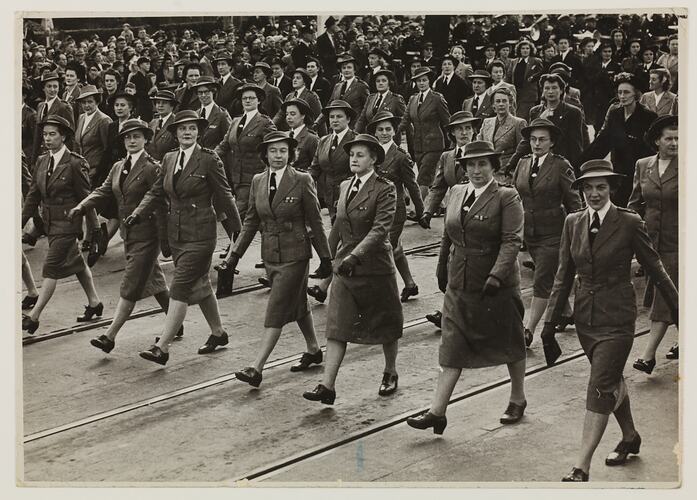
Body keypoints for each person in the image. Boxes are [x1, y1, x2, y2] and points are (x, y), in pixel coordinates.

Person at [540, 159, 678, 482]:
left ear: (611, 188)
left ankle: (581, 466)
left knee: (599, 385)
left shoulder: (629, 222)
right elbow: (563, 275)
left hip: (617, 319)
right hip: (587, 319)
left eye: (601, 186)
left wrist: (681, 309)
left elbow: (655, 268)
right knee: (610, 382)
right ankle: (630, 436)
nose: (594, 193)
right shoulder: (573, 222)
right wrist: (548, 325)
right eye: (588, 187)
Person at [406, 140, 527, 434]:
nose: (476, 170)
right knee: (452, 344)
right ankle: (438, 411)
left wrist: (497, 276)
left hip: (495, 286)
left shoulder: (507, 197)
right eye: (470, 164)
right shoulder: (457, 192)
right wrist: (441, 268)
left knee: (509, 341)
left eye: (482, 164)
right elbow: (448, 234)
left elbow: (512, 241)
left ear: (493, 167)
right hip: (460, 282)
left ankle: (517, 397)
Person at [216, 131, 332, 387]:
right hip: (270, 254)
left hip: (296, 255)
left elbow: (315, 221)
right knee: (298, 302)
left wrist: (326, 258)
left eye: (283, 151)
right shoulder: (258, 180)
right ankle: (313, 350)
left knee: (277, 308)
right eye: (273, 151)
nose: (278, 156)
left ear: (291, 154)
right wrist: (234, 256)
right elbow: (250, 222)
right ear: (265, 155)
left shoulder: (302, 180)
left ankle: (256, 367)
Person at [127, 110, 241, 365]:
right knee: (201, 285)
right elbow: (156, 192)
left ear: (199, 132)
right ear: (175, 133)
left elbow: (225, 195)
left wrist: (238, 233)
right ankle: (218, 332)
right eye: (182, 129)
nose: (187, 133)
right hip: (177, 234)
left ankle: (162, 346)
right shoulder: (168, 159)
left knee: (179, 288)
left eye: (191, 128)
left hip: (201, 235)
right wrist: (137, 213)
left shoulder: (209, 160)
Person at [303, 134, 402, 404]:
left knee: (386, 324)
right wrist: (326, 257)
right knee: (337, 325)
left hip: (374, 266)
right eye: (352, 155)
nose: (354, 159)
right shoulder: (346, 185)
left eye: (360, 155)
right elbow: (338, 225)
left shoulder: (385, 188)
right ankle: (327, 385)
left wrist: (354, 257)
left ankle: (390, 371)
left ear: (373, 159)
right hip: (345, 267)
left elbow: (380, 229)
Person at [68, 118, 179, 352]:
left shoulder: (152, 167)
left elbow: (161, 201)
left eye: (136, 136)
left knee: (130, 284)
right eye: (127, 137)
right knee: (154, 280)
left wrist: (165, 239)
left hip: (149, 235)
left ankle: (109, 336)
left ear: (146, 139)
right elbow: (103, 190)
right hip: (129, 234)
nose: (131, 141)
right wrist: (83, 205)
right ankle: (175, 323)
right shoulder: (118, 166)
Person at [21, 115, 103, 334]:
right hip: (50, 223)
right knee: (77, 264)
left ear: (64, 136)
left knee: (51, 268)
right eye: (45, 134)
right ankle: (95, 303)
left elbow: (88, 199)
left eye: (52, 134)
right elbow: (33, 195)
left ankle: (34, 316)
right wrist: (20, 222)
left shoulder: (75, 163)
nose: (47, 139)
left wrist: (95, 230)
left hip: (68, 223)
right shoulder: (41, 161)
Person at [511, 118, 582, 346]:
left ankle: (528, 330)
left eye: (542, 139)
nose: (537, 144)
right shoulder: (522, 163)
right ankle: (566, 311)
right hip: (529, 233)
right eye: (533, 139)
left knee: (542, 279)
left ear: (552, 143)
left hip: (554, 233)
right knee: (549, 277)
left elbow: (575, 202)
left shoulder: (560, 165)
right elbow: (515, 197)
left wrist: (578, 233)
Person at [214, 83, 276, 294]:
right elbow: (224, 145)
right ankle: (269, 268)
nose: (247, 101)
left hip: (256, 180)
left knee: (240, 218)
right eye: (244, 98)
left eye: (251, 98)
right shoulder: (236, 122)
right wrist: (207, 158)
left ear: (259, 100)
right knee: (258, 224)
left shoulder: (264, 123)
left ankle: (230, 263)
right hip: (238, 180)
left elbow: (273, 147)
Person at [630, 115, 680, 370]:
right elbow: (635, 203)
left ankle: (648, 356)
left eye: (678, 138)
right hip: (651, 244)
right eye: (669, 138)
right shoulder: (643, 165)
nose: (674, 143)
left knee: (665, 295)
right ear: (657, 141)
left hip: (679, 244)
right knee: (675, 295)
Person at [368, 110, 424, 302]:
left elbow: (412, 185)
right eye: (380, 129)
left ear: (394, 132)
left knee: (382, 252)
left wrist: (421, 210)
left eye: (388, 129)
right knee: (394, 248)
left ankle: (383, 295)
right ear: (375, 132)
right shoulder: (371, 152)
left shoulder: (400, 156)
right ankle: (410, 284)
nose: (384, 133)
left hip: (394, 212)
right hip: (375, 210)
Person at [582, 73, 657, 207]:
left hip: (640, 175)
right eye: (620, 92)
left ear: (636, 94)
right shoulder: (615, 114)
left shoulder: (648, 117)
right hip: (618, 173)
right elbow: (602, 143)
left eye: (626, 92)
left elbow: (653, 150)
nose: (622, 96)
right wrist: (581, 163)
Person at [506, 73, 585, 173]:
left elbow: (576, 145)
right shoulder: (535, 112)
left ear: (561, 90)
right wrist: (512, 162)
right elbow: (527, 140)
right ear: (542, 91)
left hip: (560, 165)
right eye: (547, 88)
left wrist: (575, 170)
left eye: (554, 88)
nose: (550, 91)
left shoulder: (573, 112)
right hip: (538, 163)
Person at [398, 67, 451, 200]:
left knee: (423, 176)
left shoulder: (437, 99)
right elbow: (405, 120)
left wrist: (452, 140)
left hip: (434, 144)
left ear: (429, 82)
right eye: (419, 81)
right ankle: (439, 204)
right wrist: (393, 133)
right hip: (418, 145)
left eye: (424, 80)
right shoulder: (413, 99)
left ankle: (418, 210)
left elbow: (447, 121)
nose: (421, 83)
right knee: (430, 177)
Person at [477, 87, 526, 180]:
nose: (501, 104)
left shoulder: (518, 123)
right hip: (486, 173)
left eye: (504, 101)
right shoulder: (487, 122)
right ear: (493, 105)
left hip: (507, 174)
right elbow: (479, 146)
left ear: (510, 103)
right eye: (498, 101)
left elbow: (522, 153)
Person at [74, 85, 112, 191]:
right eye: (83, 102)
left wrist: (98, 172)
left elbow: (107, 150)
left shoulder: (104, 120)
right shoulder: (81, 117)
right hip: (80, 170)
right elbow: (77, 144)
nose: (86, 105)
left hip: (95, 171)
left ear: (97, 101)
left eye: (90, 102)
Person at [354, 69, 406, 136]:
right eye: (378, 81)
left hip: (388, 138)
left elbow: (405, 120)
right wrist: (355, 133)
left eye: (384, 81)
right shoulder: (371, 98)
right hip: (371, 138)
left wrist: (395, 132)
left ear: (389, 83)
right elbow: (362, 119)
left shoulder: (396, 99)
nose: (380, 83)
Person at [325, 53, 370, 127]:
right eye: (344, 68)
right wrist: (317, 123)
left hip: (353, 127)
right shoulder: (337, 86)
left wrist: (359, 127)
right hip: (337, 126)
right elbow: (329, 105)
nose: (346, 70)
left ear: (354, 70)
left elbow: (366, 109)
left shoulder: (361, 86)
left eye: (349, 67)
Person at [272, 68, 322, 132]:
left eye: (298, 78)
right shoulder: (289, 96)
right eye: (293, 78)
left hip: (306, 132)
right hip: (291, 131)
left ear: (304, 81)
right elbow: (280, 114)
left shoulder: (311, 96)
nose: (294, 80)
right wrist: (272, 125)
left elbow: (319, 116)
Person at [280, 98, 319, 172]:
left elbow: (316, 168)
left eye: (293, 114)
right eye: (287, 114)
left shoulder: (312, 139)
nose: (288, 117)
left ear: (303, 116)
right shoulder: (283, 136)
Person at [510, 39, 543, 121]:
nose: (525, 50)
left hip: (529, 96)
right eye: (523, 48)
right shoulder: (514, 61)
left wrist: (533, 77)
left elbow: (541, 74)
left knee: (524, 118)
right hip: (516, 95)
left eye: (527, 48)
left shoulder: (536, 61)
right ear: (519, 50)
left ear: (530, 50)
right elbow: (509, 76)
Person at [147, 90, 179, 161]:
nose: (160, 105)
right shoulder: (152, 122)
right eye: (158, 102)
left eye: (164, 103)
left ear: (172, 106)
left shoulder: (176, 123)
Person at [213, 51, 242, 117]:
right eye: (218, 64)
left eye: (223, 64)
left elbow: (236, 108)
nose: (220, 67)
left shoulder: (236, 84)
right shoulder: (215, 83)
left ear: (230, 66)